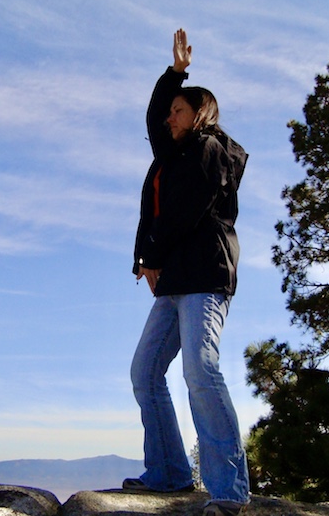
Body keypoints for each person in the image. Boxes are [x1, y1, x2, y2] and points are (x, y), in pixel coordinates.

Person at [124, 29, 250, 516]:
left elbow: (182, 212)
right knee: (146, 372)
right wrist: (175, 74)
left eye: (178, 110)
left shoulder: (210, 150)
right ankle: (170, 473)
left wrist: (152, 255)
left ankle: (228, 491)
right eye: (169, 111)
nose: (169, 118)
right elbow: (154, 211)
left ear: (199, 114)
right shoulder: (170, 155)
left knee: (201, 369)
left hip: (204, 275)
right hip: (174, 279)